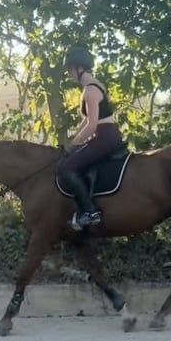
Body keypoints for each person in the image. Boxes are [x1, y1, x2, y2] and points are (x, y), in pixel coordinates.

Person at [57, 46, 125, 230]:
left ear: (80, 68)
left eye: (70, 69)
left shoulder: (90, 91)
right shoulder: (93, 86)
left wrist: (73, 145)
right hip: (105, 134)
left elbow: (92, 125)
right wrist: (73, 139)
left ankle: (89, 212)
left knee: (66, 167)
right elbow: (87, 121)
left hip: (105, 137)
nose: (69, 73)